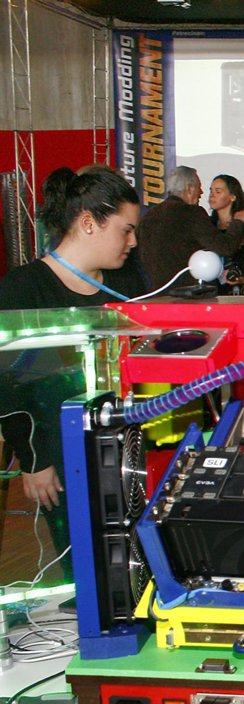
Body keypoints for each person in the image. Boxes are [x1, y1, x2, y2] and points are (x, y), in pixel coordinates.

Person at [0, 166, 143, 581]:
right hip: (62, 459)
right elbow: (8, 388)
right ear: (88, 223)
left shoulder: (129, 281)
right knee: (89, 572)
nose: (133, 242)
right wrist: (34, 459)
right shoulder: (23, 289)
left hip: (131, 450)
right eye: (126, 230)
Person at [137, 166, 244, 291]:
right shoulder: (192, 213)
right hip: (190, 294)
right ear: (189, 189)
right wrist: (238, 222)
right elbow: (225, 247)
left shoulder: (148, 216)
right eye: (199, 187)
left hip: (156, 294)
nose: (201, 192)